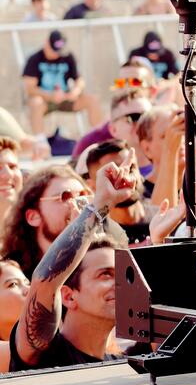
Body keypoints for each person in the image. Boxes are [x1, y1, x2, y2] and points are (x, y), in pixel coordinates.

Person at [8, 153, 135, 370]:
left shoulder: (127, 366)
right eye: (105, 274)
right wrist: (99, 205)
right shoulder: (45, 353)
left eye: (122, 275)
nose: (120, 284)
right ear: (67, 295)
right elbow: (45, 281)